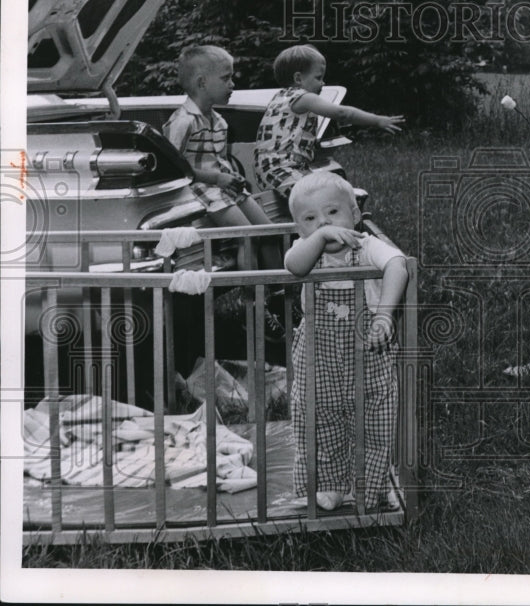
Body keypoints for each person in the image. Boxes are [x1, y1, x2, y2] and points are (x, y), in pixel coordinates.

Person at [284, 171, 408, 511]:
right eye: (311, 219)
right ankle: (329, 486)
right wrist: (320, 236)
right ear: (299, 229)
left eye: (333, 213)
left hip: (367, 353)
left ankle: (371, 488)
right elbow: (294, 267)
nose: (324, 223)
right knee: (318, 419)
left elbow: (397, 264)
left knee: (374, 423)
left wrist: (384, 314)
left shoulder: (368, 248)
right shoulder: (305, 252)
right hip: (318, 357)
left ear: (355, 215)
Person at [163, 45, 281, 270]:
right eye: (226, 78)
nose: (232, 84)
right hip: (202, 190)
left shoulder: (218, 121)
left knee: (271, 232)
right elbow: (173, 167)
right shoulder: (183, 121)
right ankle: (252, 303)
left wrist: (230, 175)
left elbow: (218, 160)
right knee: (248, 237)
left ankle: (278, 296)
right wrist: (216, 178)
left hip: (225, 188)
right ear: (202, 82)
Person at [254, 44, 405, 199]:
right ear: (298, 78)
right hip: (283, 170)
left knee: (318, 194)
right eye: (318, 78)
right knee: (321, 198)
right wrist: (377, 120)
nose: (323, 83)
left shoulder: (278, 98)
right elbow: (343, 113)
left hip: (269, 168)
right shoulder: (303, 97)